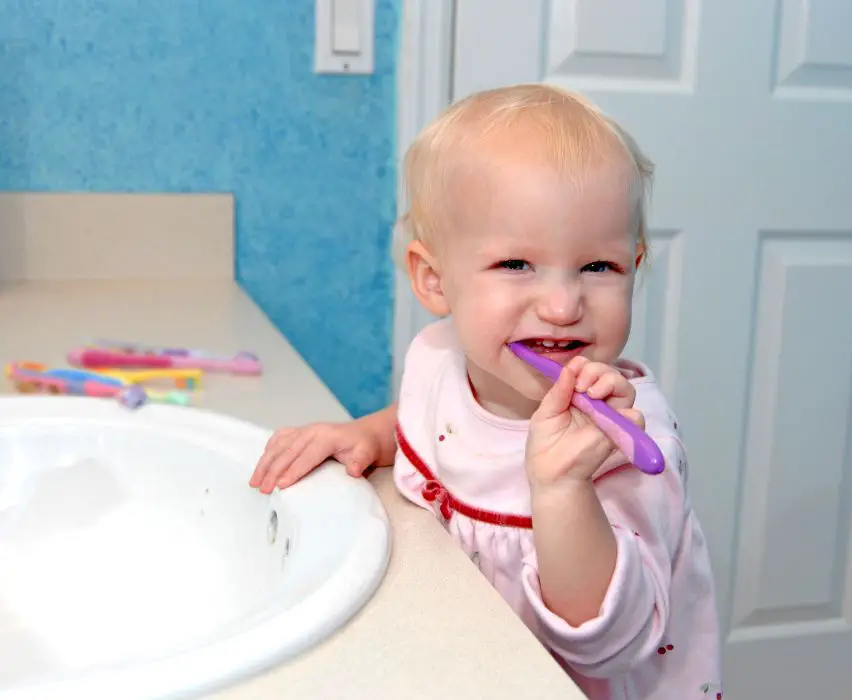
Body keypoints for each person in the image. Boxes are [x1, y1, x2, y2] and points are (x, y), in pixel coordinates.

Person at [249, 83, 723, 700]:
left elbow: (611, 642)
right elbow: (434, 420)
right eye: (517, 265)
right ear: (434, 280)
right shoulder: (444, 358)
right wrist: (368, 434)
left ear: (633, 266)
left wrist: (561, 491)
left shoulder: (625, 439)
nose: (562, 305)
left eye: (598, 267)